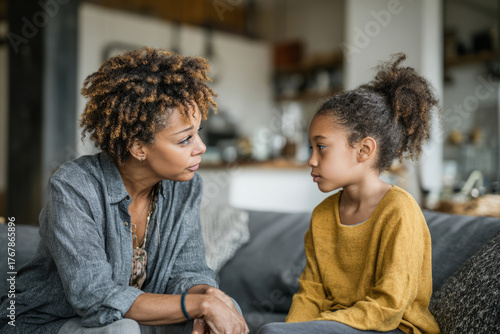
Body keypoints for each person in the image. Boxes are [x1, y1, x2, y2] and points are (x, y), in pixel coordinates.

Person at [0, 47, 249, 334]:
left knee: (226, 307)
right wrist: (199, 306)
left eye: (198, 132)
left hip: (135, 321)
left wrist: (210, 298)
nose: (201, 148)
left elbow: (188, 271)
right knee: (122, 330)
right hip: (48, 323)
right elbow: (95, 297)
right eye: (185, 140)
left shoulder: (185, 187)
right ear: (138, 146)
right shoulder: (74, 186)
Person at [258, 53, 441, 334]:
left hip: (393, 327)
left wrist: (315, 327)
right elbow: (311, 293)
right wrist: (292, 330)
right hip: (339, 324)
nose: (311, 160)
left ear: (364, 150)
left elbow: (389, 306)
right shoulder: (323, 214)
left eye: (321, 147)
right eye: (311, 148)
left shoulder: (399, 210)